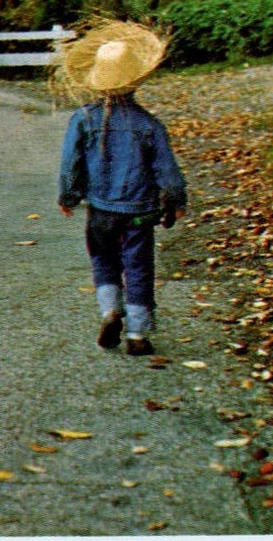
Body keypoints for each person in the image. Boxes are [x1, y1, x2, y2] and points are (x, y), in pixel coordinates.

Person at [55, 21, 187, 356]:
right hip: (139, 213)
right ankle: (138, 335)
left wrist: (68, 195)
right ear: (136, 80)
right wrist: (175, 200)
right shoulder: (149, 124)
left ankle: (110, 311)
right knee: (139, 267)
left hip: (100, 211)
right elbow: (166, 170)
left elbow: (70, 163)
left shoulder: (83, 119)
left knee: (104, 261)